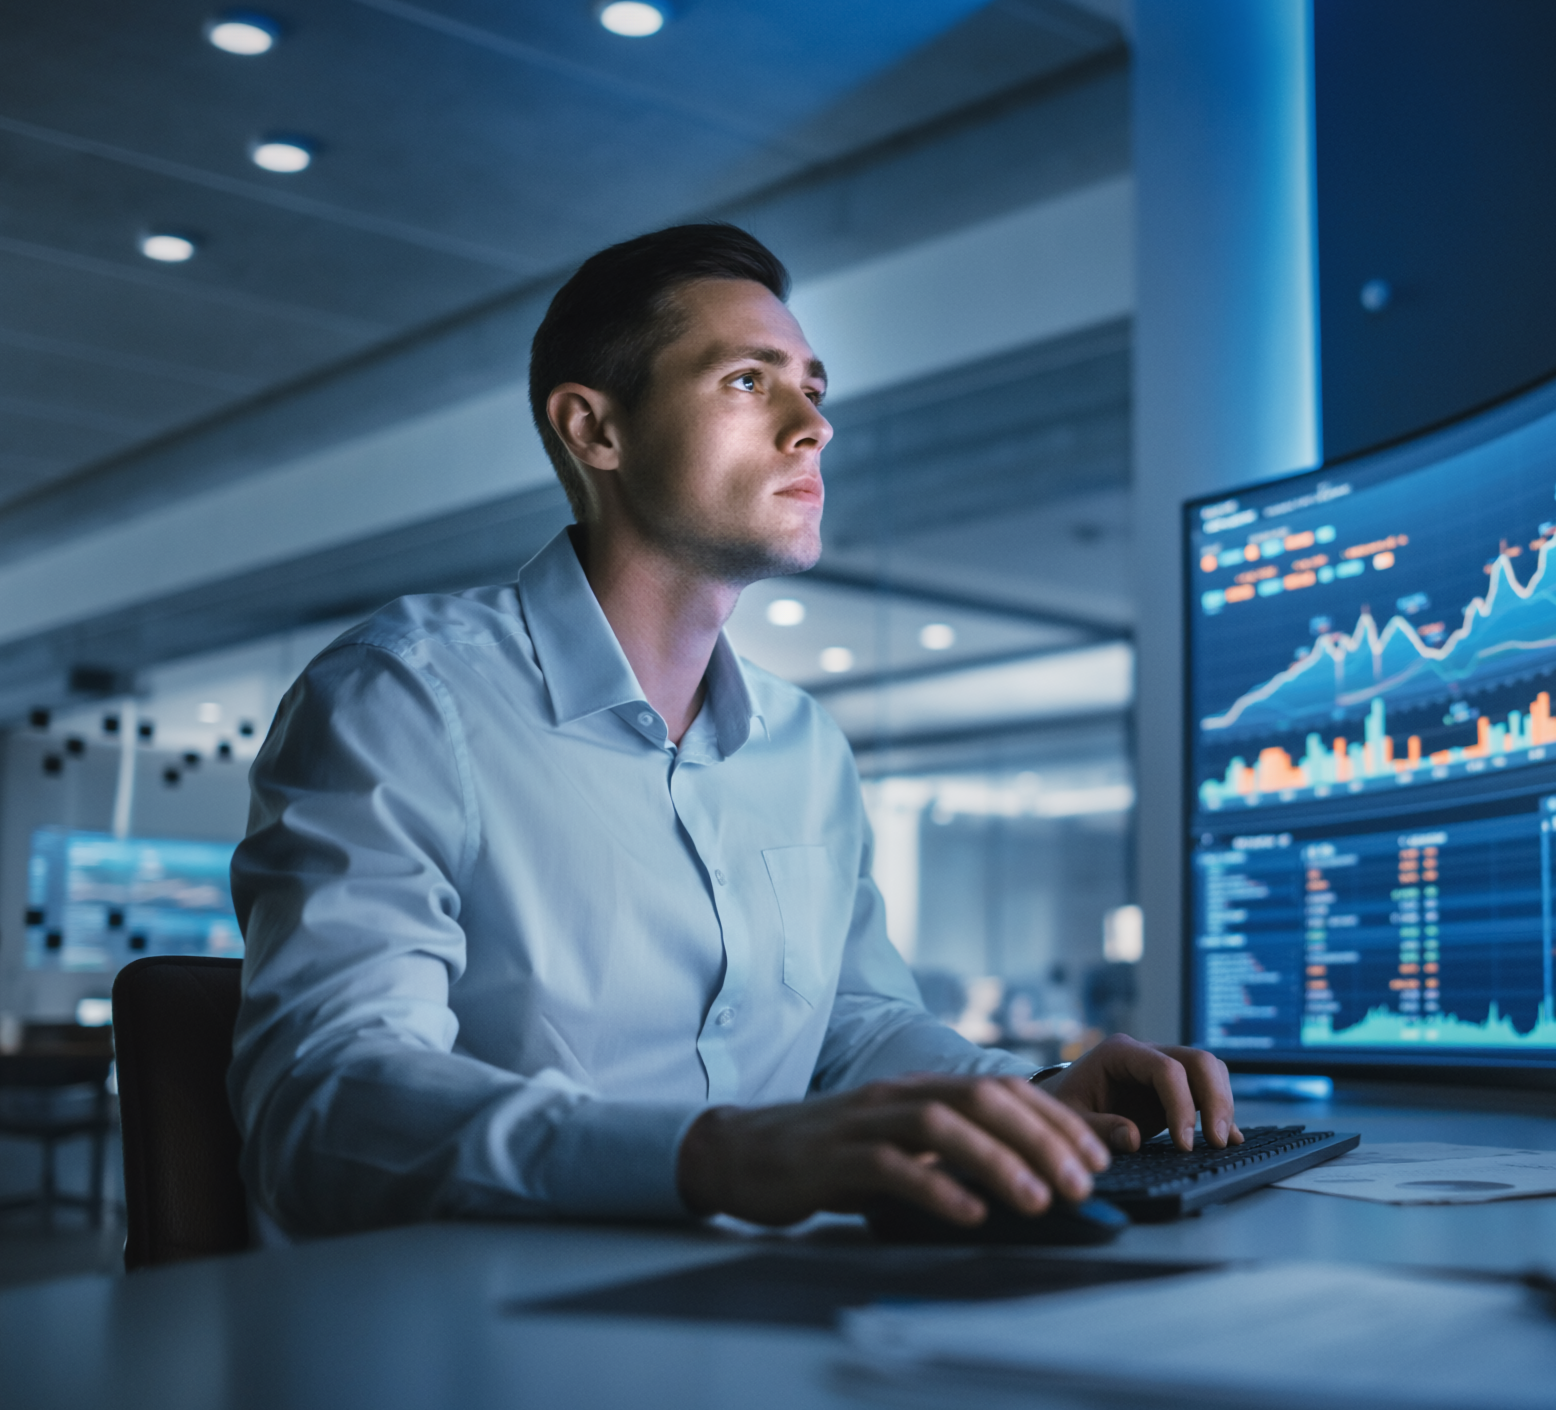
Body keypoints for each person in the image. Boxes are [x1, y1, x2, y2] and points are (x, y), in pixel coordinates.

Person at [230, 224, 1235, 1238]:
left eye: (816, 388)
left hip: (772, 1308)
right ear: (596, 432)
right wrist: (718, 1156)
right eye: (750, 382)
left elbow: (851, 1027)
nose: (813, 426)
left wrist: (1040, 1098)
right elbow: (324, 1106)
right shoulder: (404, 695)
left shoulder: (803, 745)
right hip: (485, 1328)